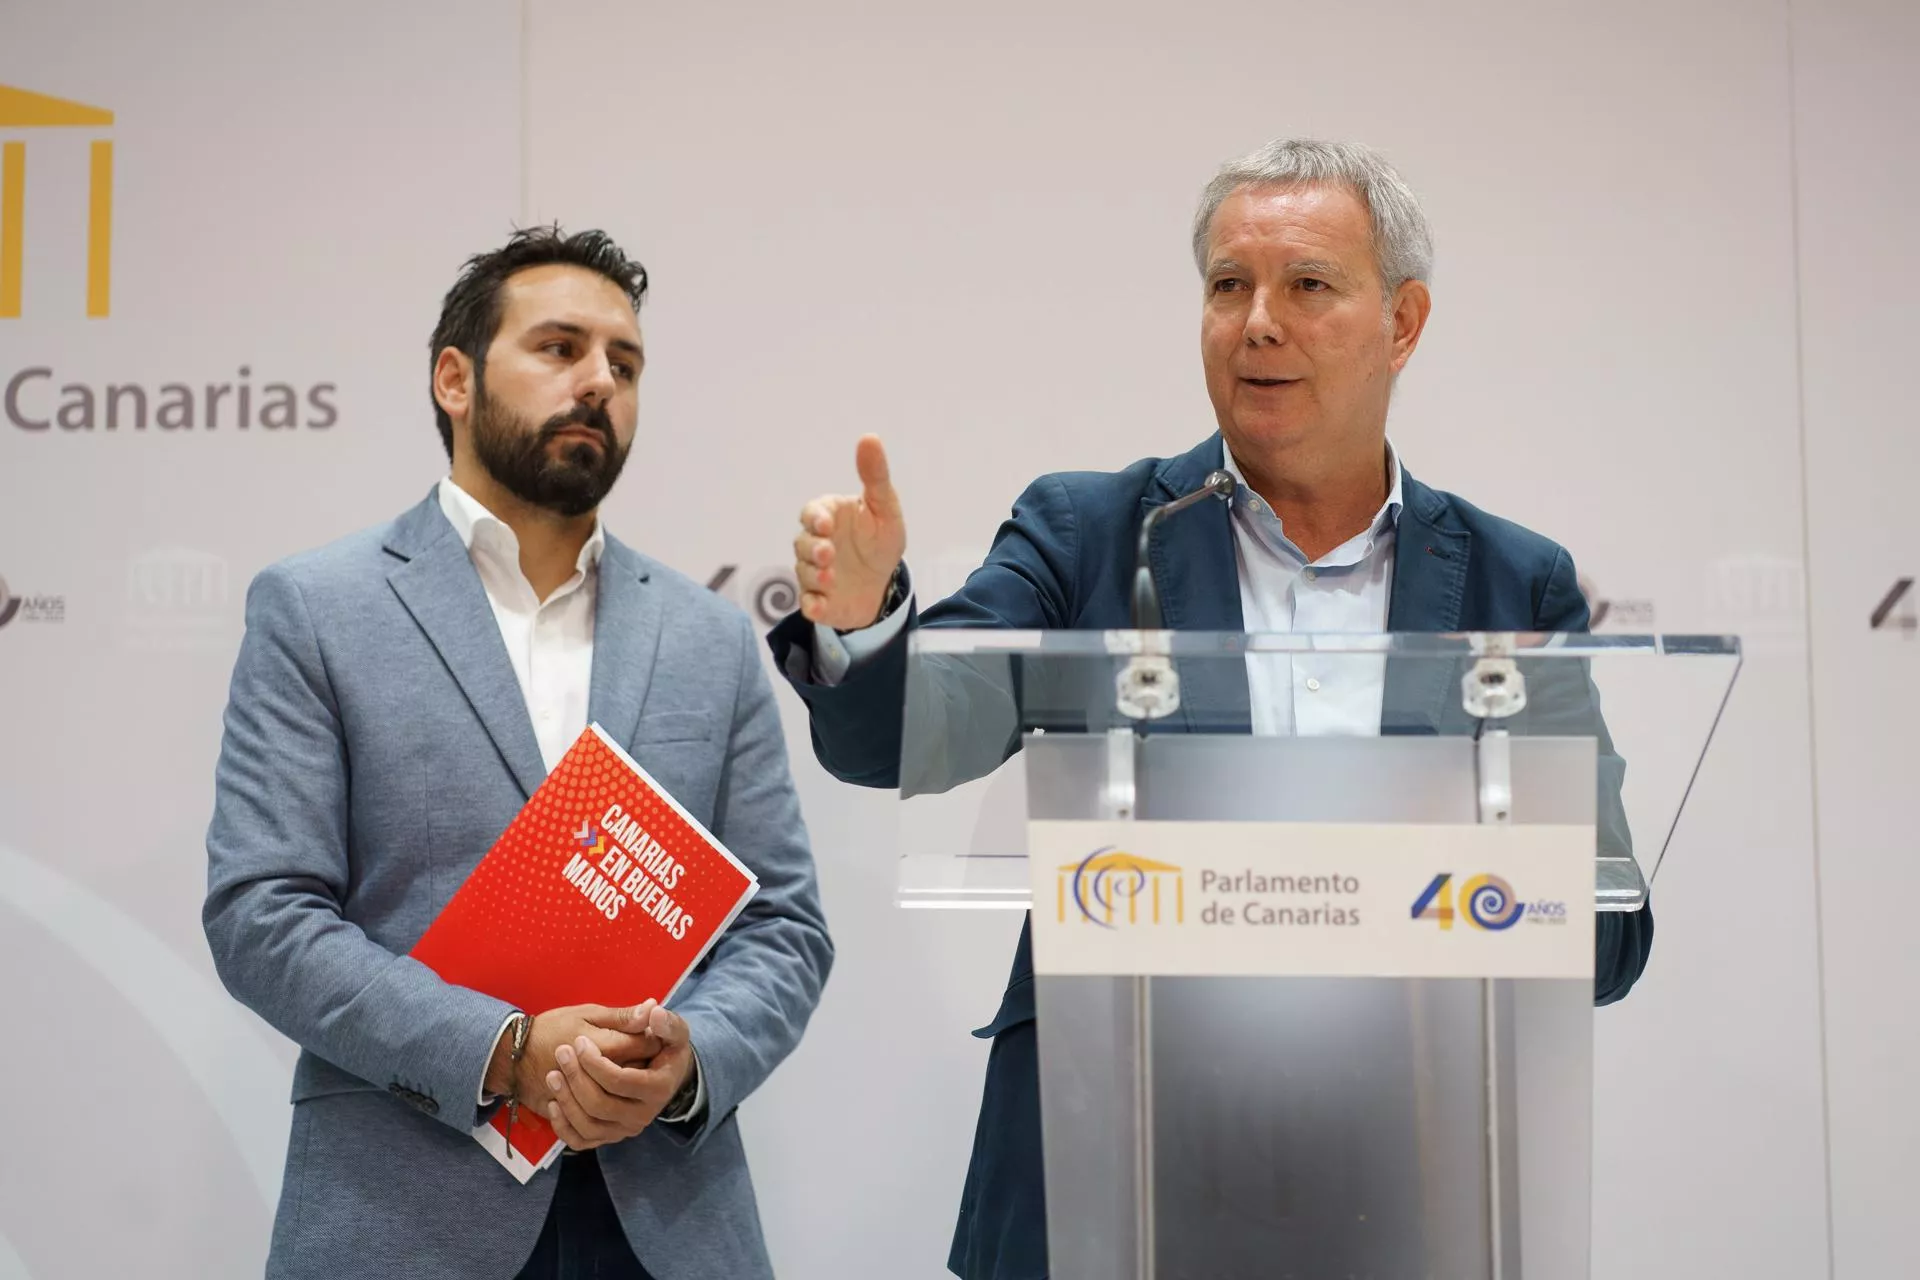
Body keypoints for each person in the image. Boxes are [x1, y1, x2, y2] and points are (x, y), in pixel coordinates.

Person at [768, 139, 1651, 1279]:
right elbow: (913, 728)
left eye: (1309, 286)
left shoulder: (1509, 582)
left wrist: (1439, 896)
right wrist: (870, 622)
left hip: (1411, 1189)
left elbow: (1609, 921)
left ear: (1406, 321)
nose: (1257, 322)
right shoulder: (1093, 533)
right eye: (1228, 285)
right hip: (1104, 1175)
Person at [203, 226, 833, 1279]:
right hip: (404, 1211)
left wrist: (687, 1064)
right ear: (455, 378)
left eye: (624, 364)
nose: (598, 382)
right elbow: (262, 913)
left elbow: (783, 925)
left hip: (665, 1219)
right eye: (559, 347)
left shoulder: (707, 635)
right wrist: (502, 1048)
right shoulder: (317, 608)